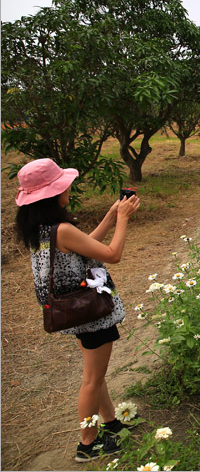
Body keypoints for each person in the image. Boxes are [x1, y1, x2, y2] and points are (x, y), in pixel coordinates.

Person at [15, 158, 140, 462]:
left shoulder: (42, 229)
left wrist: (111, 215)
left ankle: (110, 423)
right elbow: (113, 254)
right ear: (53, 194)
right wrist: (123, 218)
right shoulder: (61, 229)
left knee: (96, 375)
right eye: (63, 185)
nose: (68, 188)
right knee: (92, 379)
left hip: (75, 310)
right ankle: (88, 443)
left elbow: (87, 245)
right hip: (92, 311)